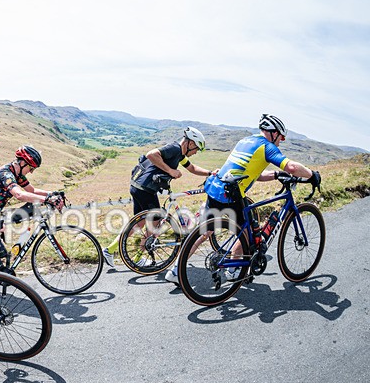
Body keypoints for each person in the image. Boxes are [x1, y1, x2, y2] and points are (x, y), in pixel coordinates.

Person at [165, 114, 320, 283]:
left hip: (216, 187)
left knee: (205, 231)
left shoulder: (245, 141)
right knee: (245, 233)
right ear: (273, 133)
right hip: (232, 194)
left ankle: (175, 271)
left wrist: (276, 175)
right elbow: (291, 166)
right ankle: (233, 270)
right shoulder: (267, 147)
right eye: (281, 137)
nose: (280, 141)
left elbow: (254, 174)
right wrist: (312, 175)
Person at [102, 127, 212, 267]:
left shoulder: (180, 155)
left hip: (139, 187)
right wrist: (171, 170)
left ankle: (109, 250)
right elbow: (151, 154)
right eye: (196, 148)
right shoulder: (175, 148)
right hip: (146, 190)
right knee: (155, 223)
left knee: (139, 223)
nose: (196, 152)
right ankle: (137, 258)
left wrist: (210, 173)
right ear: (190, 144)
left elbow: (192, 168)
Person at [0, 145, 64, 269]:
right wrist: (46, 199)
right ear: (23, 163)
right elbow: (19, 194)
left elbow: (31, 190)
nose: (31, 171)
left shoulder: (17, 174)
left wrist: (52, 193)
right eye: (31, 168)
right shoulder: (6, 174)